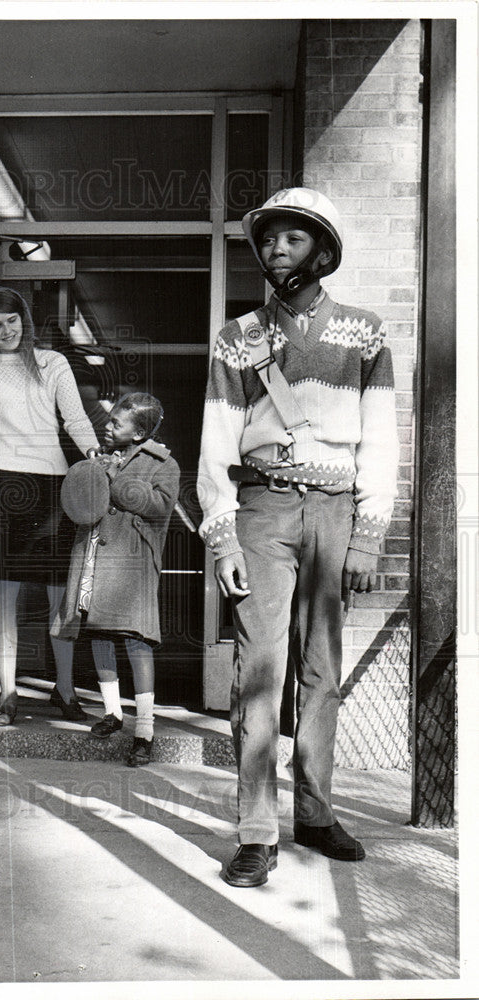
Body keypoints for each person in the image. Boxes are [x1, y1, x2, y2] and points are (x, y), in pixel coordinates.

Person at [197, 188, 399, 887]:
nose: (276, 250)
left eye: (293, 239)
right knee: (257, 673)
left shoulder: (365, 333)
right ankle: (256, 832)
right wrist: (221, 536)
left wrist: (368, 534)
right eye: (268, 240)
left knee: (321, 673)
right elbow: (214, 442)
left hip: (334, 514)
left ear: (322, 250)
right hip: (261, 511)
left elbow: (381, 441)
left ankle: (315, 814)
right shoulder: (237, 337)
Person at [0, 287, 100, 726]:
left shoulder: (52, 363)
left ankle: (65, 689)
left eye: (12, 321)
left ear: (25, 319)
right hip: (0, 483)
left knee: (61, 596)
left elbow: (75, 420)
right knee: (3, 596)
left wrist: (98, 458)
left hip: (54, 485)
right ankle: (8, 696)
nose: (5, 331)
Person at [53, 393, 180, 767]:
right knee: (98, 632)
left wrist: (115, 481)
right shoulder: (102, 458)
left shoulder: (163, 464)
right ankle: (113, 713)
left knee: (136, 640)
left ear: (140, 432)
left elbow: (159, 506)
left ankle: (145, 730)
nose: (107, 428)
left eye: (116, 424)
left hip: (131, 563)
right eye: (108, 422)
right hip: (93, 556)